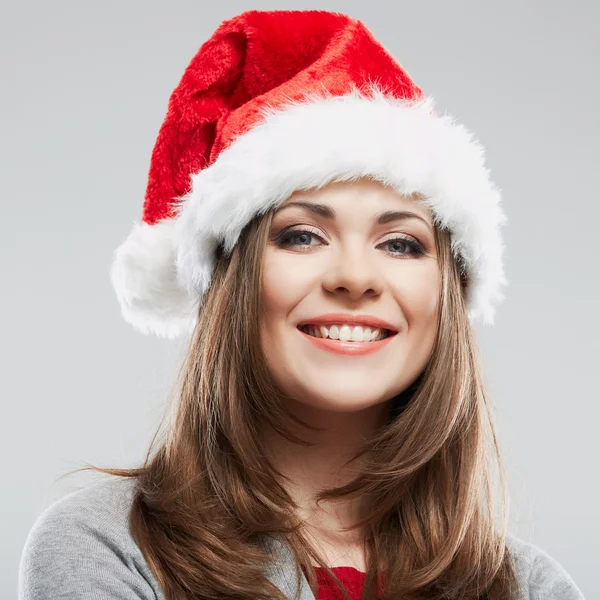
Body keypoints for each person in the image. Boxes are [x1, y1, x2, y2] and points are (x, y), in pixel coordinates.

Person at [18, 9, 585, 600]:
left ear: (446, 294)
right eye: (301, 236)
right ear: (233, 283)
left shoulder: (527, 586)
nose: (355, 277)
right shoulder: (110, 544)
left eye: (400, 243)